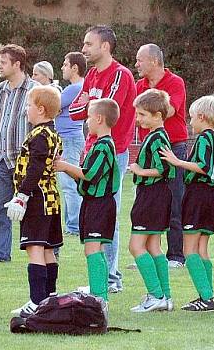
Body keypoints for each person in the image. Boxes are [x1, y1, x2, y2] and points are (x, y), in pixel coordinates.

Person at [69, 26, 137, 293]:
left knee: (107, 212)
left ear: (105, 46)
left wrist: (89, 103)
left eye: (88, 44)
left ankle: (111, 278)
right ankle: (102, 277)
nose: (83, 49)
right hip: (91, 149)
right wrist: (88, 104)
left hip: (113, 151)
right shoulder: (93, 75)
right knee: (95, 212)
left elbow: (110, 109)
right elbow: (75, 112)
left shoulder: (121, 74)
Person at [161, 95, 214, 312]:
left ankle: (207, 297)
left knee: (188, 250)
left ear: (202, 117)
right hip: (210, 196)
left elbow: (204, 166)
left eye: (191, 118)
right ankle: (206, 296)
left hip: (198, 195)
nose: (190, 123)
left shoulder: (204, 139)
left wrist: (177, 161)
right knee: (202, 249)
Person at [55, 98, 121, 308]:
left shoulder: (104, 146)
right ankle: (98, 294)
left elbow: (90, 175)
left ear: (99, 119)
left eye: (89, 117)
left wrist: (65, 166)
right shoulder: (98, 144)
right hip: (92, 204)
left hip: (100, 205)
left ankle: (99, 296)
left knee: (93, 249)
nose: (86, 122)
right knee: (93, 248)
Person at [6, 86, 64, 317]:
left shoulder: (40, 135)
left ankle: (37, 301)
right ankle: (50, 298)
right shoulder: (53, 133)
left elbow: (36, 167)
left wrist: (22, 195)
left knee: (35, 248)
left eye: (29, 106)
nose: (26, 110)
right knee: (48, 249)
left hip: (38, 198)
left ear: (41, 109)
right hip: (50, 197)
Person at [0, 44, 38, 263]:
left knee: (33, 207)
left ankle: (41, 251)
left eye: (3, 62)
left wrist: (34, 156)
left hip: (27, 163)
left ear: (17, 64)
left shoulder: (36, 91)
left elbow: (43, 124)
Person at [135, 43, 189, 268]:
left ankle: (176, 255)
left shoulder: (175, 82)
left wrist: (152, 109)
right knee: (148, 199)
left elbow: (170, 110)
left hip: (173, 146)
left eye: (140, 60)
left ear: (154, 61)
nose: (136, 64)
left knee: (175, 199)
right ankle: (148, 253)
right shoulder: (140, 85)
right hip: (148, 147)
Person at [127, 89, 176, 312]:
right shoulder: (158, 135)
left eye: (142, 115)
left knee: (136, 246)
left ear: (158, 115)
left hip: (151, 196)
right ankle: (165, 297)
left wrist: (139, 170)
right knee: (154, 246)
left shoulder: (157, 137)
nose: (138, 119)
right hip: (158, 196)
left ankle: (156, 294)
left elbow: (163, 168)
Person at [56, 52, 87, 235]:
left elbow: (53, 107)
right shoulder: (79, 88)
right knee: (69, 183)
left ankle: (74, 226)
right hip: (71, 139)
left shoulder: (73, 88)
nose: (62, 67)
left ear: (75, 68)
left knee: (69, 184)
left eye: (65, 64)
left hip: (68, 140)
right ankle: (72, 224)